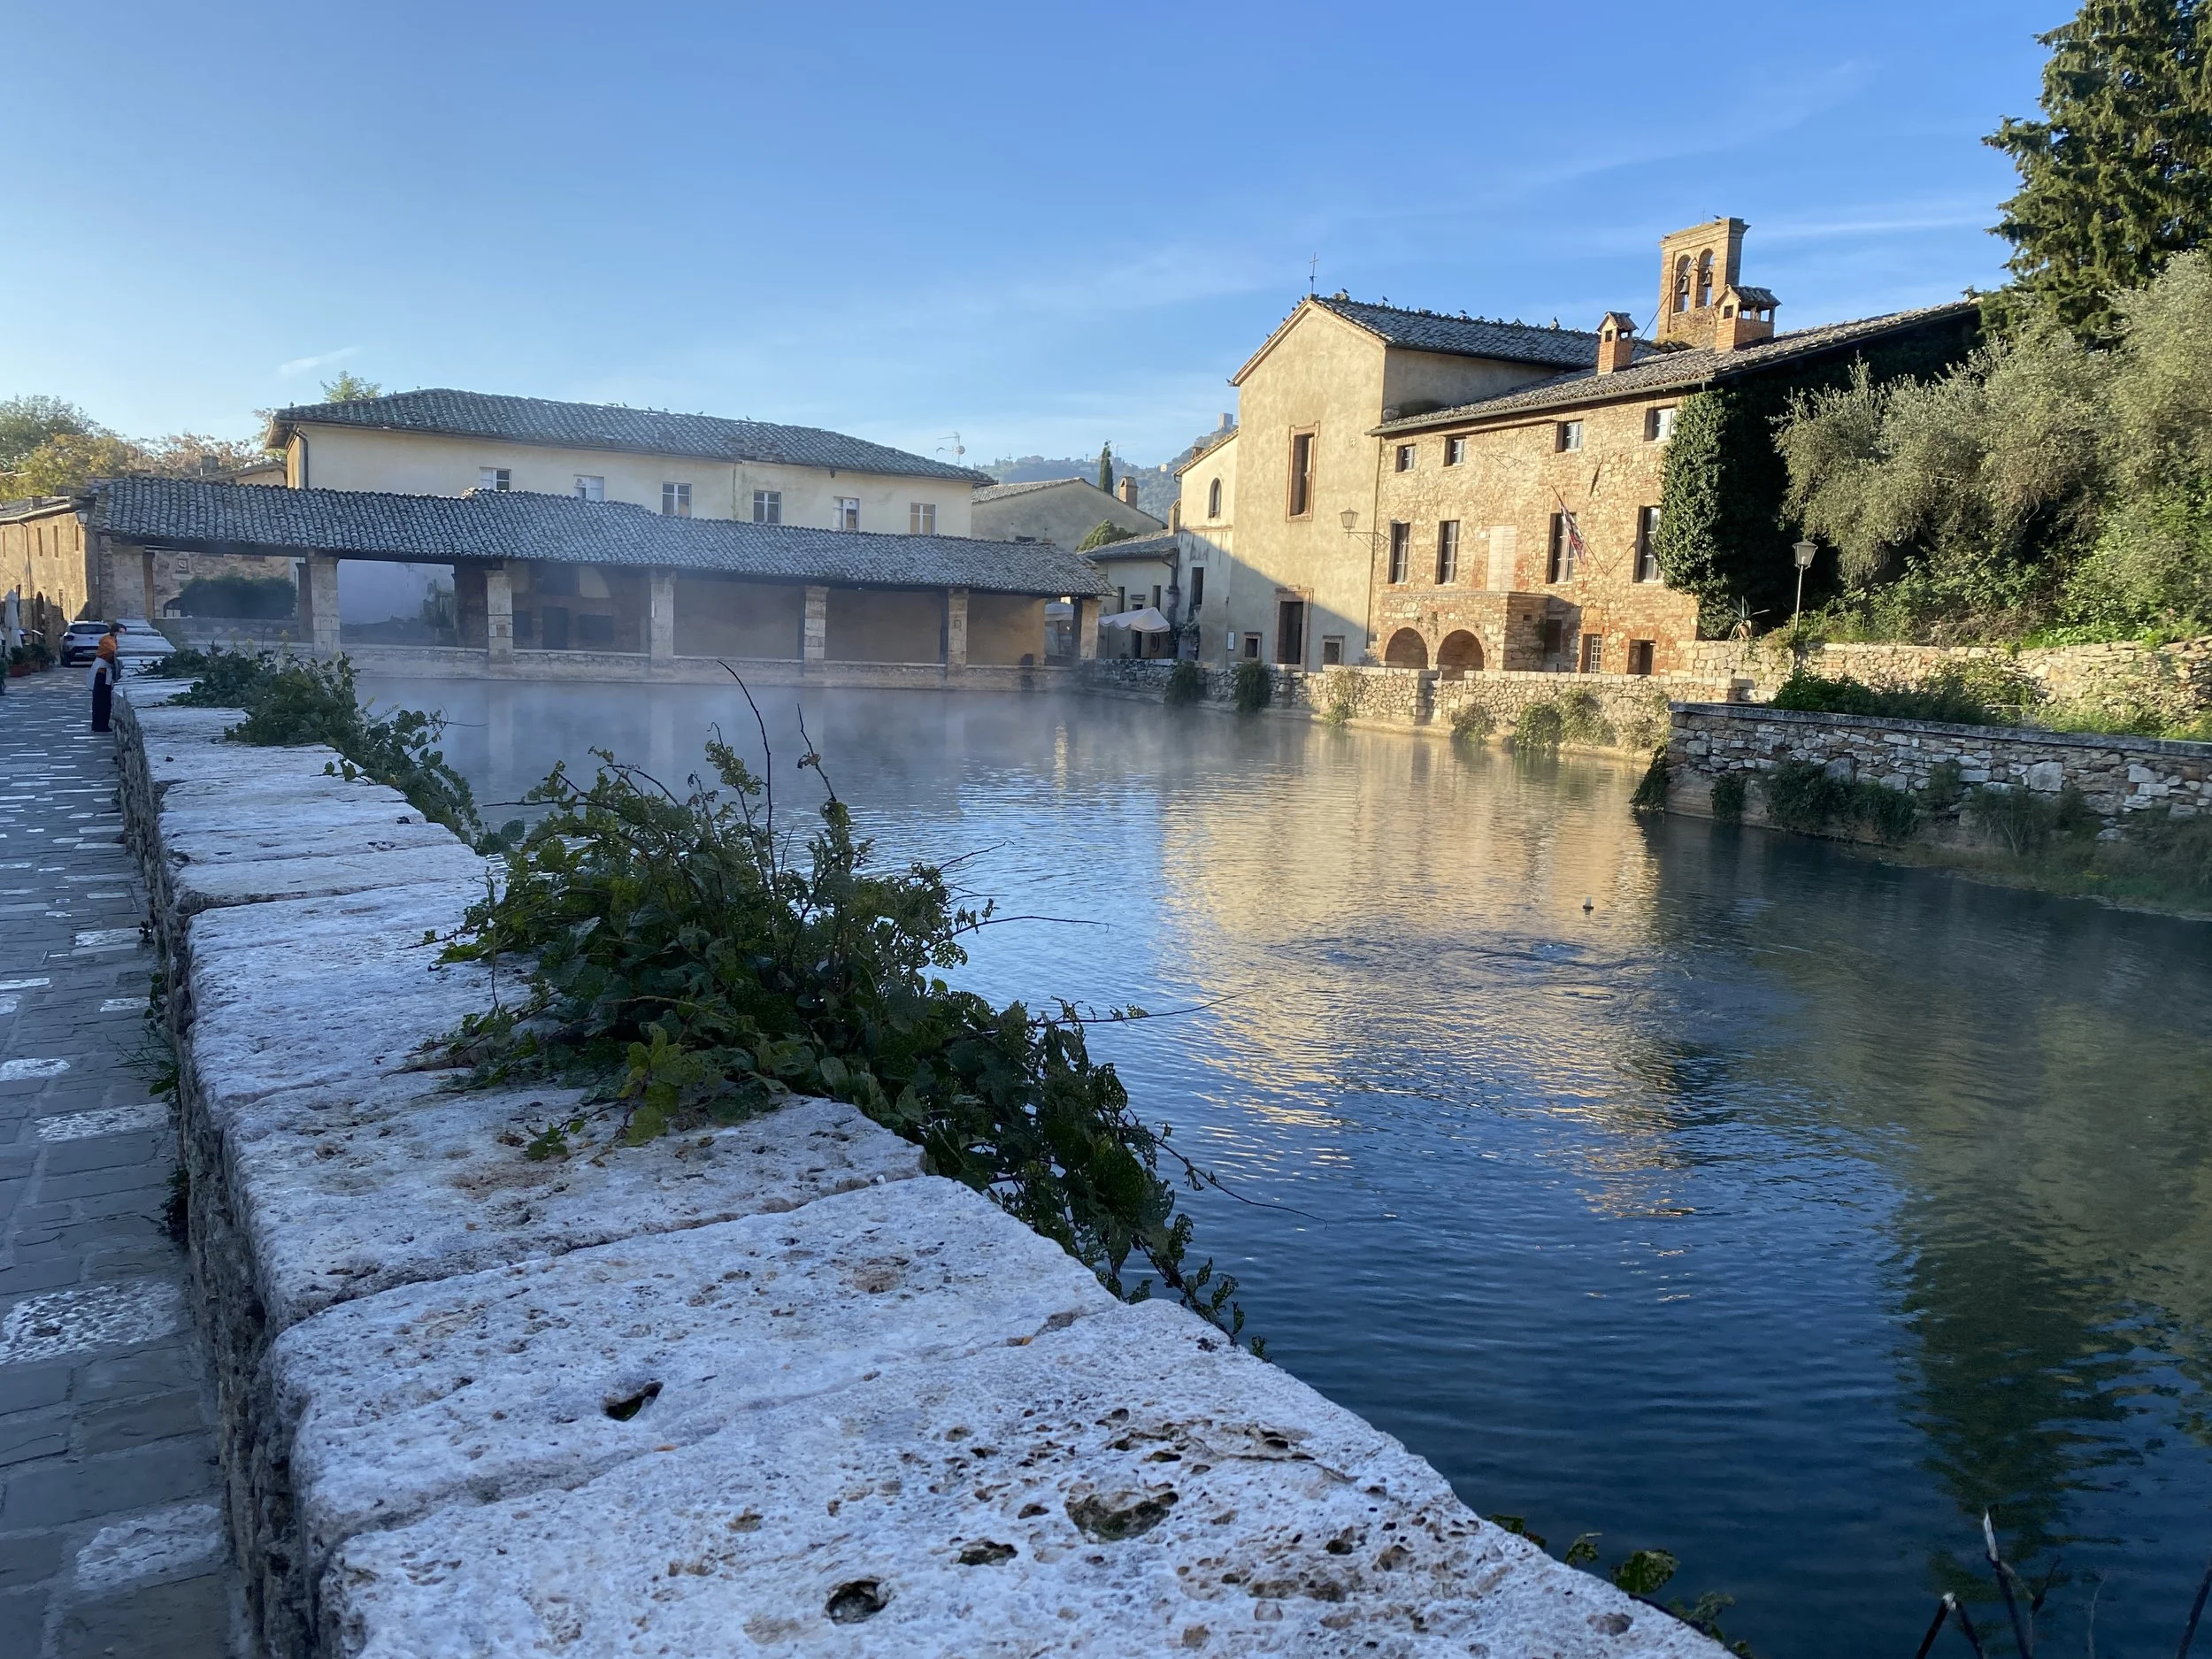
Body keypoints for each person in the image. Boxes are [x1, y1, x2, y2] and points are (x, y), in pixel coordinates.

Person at [89, 622, 122, 733]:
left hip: (106, 673)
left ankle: (103, 724)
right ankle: (99, 725)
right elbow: (114, 650)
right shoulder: (107, 640)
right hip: (102, 673)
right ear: (114, 632)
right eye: (121, 633)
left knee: (106, 701)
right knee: (101, 700)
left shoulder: (111, 640)